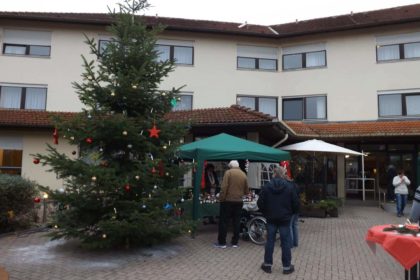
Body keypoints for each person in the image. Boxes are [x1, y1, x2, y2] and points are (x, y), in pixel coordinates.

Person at [257, 166, 300, 275]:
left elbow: (260, 203)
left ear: (273, 174)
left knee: (270, 241)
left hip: (271, 218)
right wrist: (291, 213)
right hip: (285, 218)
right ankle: (286, 267)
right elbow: (296, 203)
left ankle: (267, 265)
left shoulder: (266, 187)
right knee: (285, 242)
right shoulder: (289, 187)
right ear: (283, 174)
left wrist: (266, 213)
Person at [214, 160, 249, 249]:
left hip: (227, 201)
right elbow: (246, 190)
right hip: (239, 201)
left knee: (224, 222)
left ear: (230, 166)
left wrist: (221, 198)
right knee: (236, 222)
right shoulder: (243, 174)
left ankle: (222, 242)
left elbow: (224, 187)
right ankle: (235, 242)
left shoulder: (228, 173)